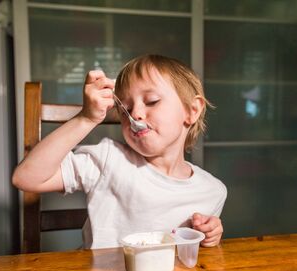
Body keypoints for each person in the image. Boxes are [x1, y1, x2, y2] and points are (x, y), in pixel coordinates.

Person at [12, 54, 227, 249]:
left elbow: (197, 256)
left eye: (152, 101)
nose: (136, 114)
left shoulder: (212, 191)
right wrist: (86, 119)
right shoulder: (108, 159)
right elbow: (25, 178)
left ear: (192, 110)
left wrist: (209, 236)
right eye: (125, 109)